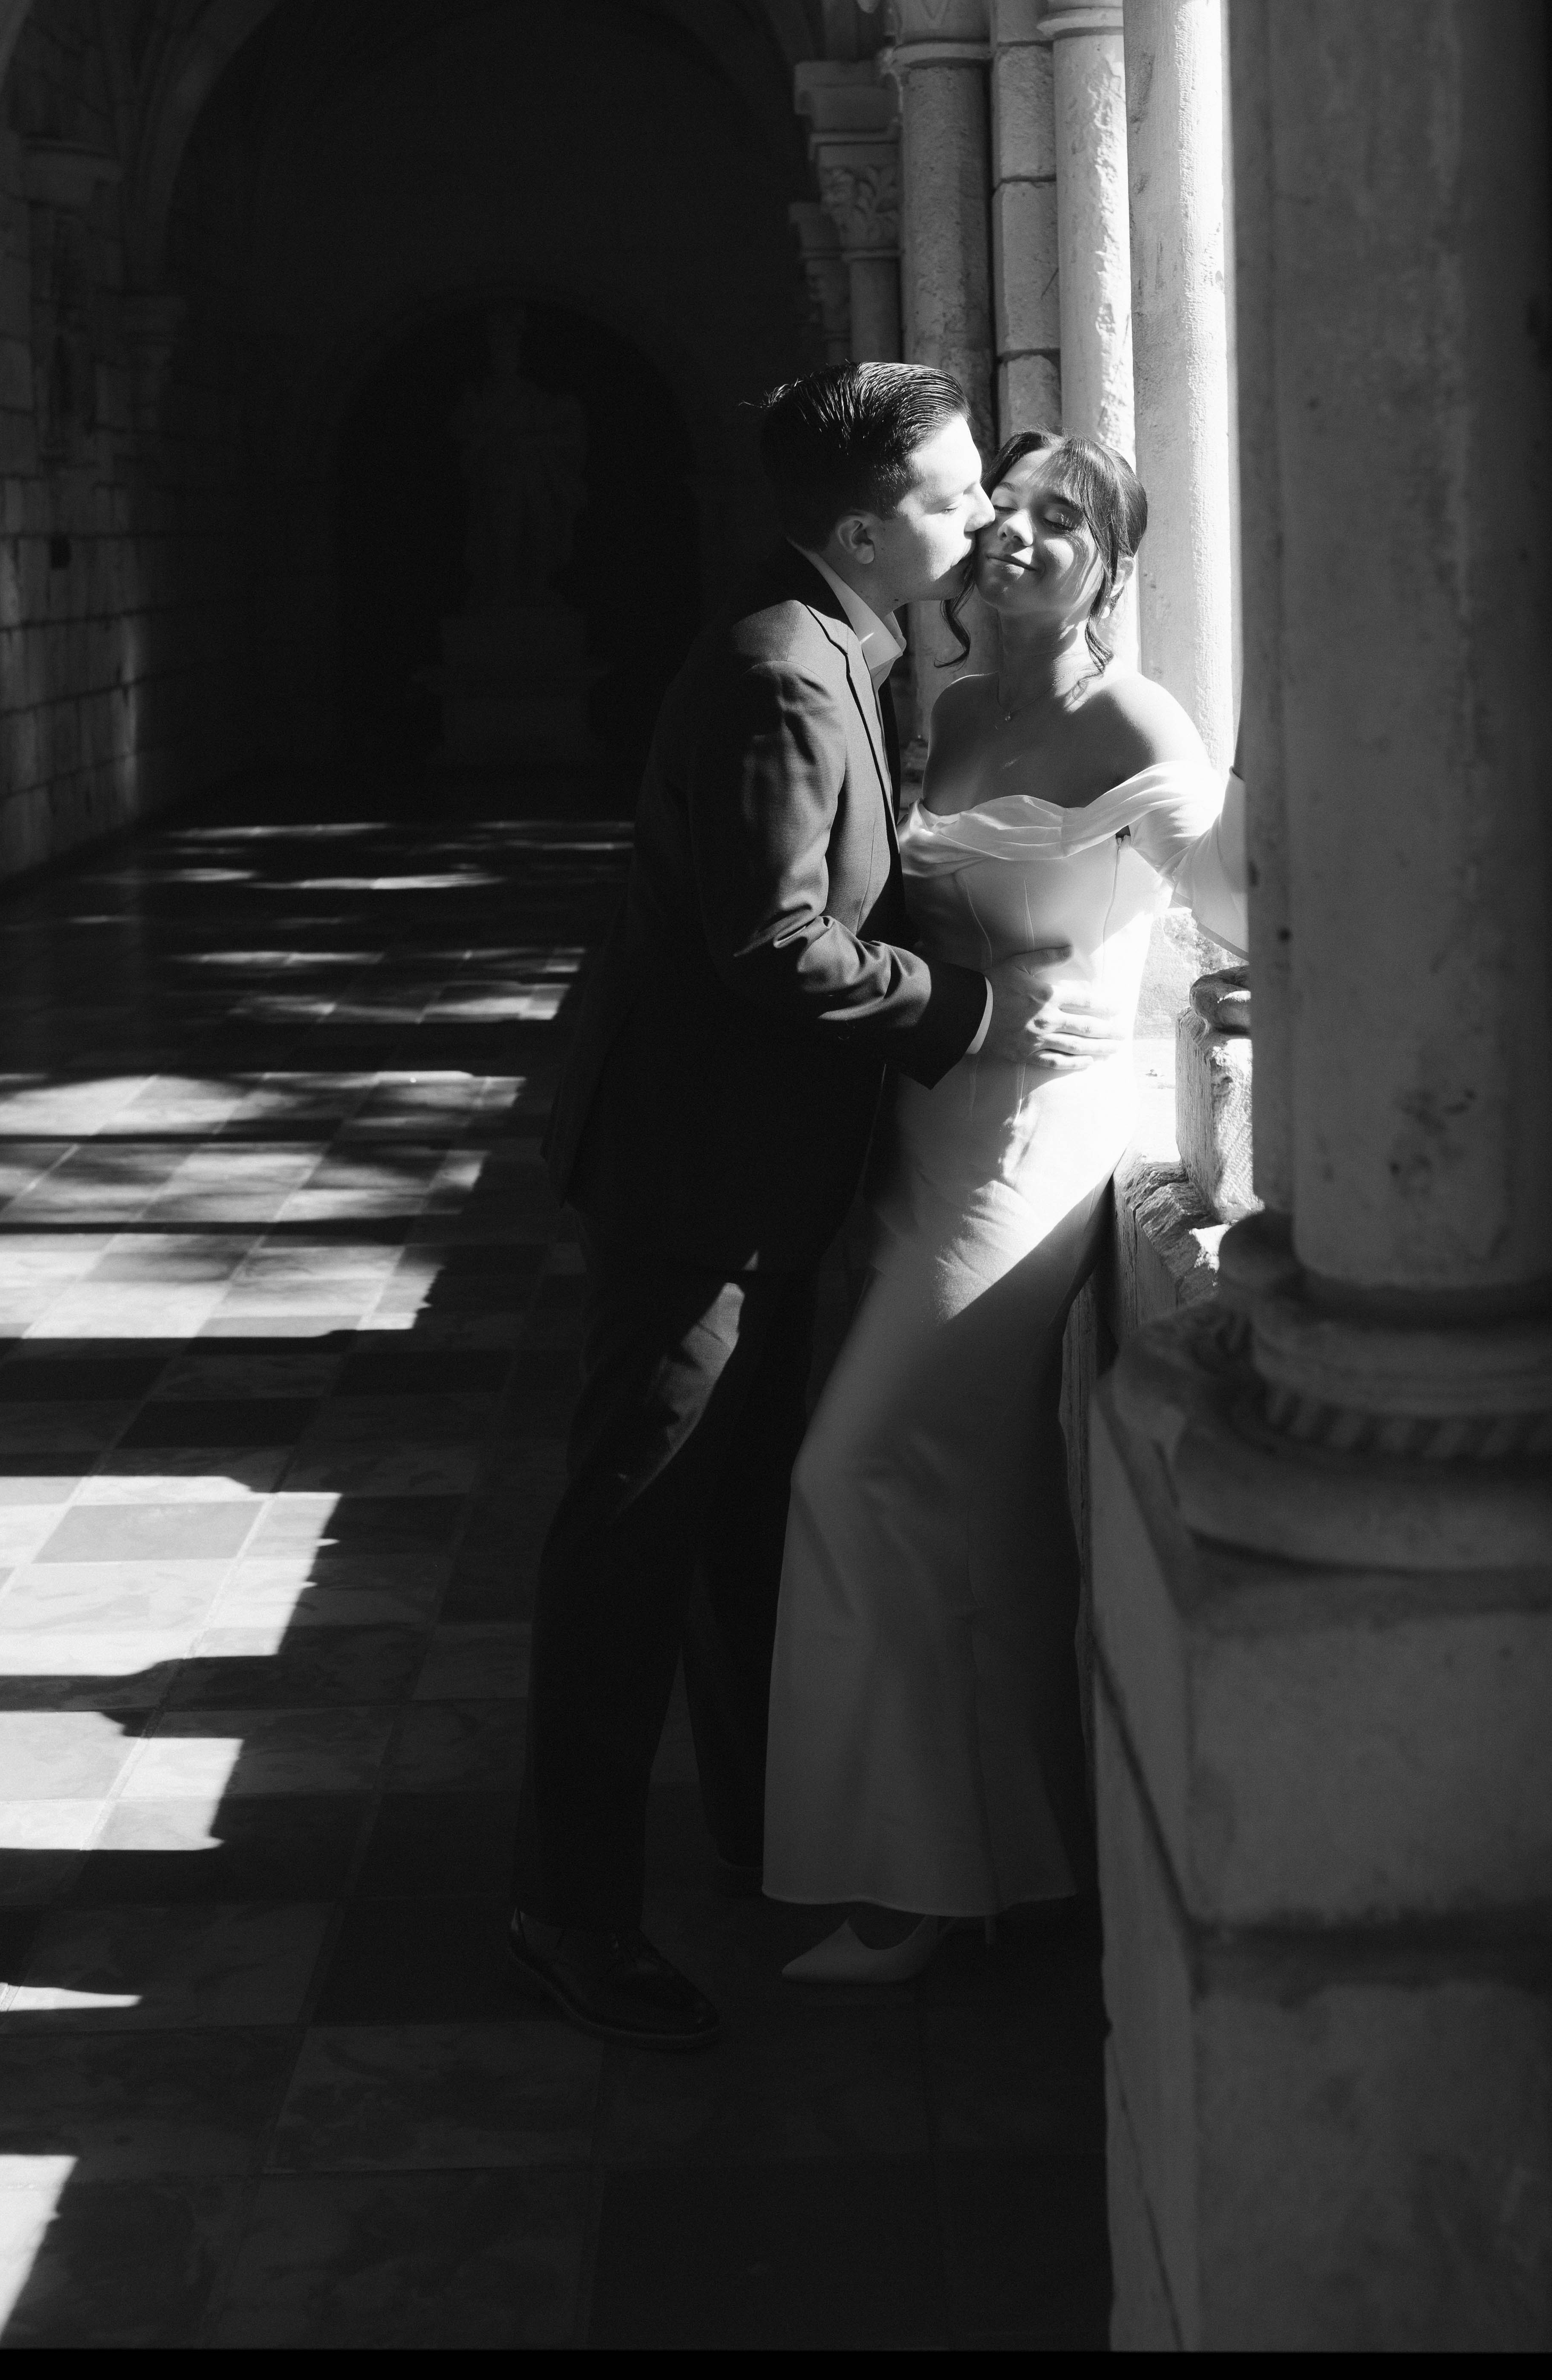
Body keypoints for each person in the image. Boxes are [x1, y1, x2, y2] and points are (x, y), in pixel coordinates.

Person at [508, 364, 1118, 2050]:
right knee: (630, 1536)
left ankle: (759, 1827)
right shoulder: (788, 667)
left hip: (764, 1173)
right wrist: (975, 1011)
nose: (985, 514)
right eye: (948, 494)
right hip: (699, 1178)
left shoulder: (842, 644)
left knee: (724, 1523)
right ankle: (566, 1906)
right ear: (864, 528)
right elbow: (772, 942)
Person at [762, 425, 1247, 1980]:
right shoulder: (954, 706)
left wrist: (1164, 1006)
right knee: (966, 1495)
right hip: (921, 1131)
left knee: (855, 1465)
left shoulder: (1139, 724)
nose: (1020, 538)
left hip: (1036, 1146)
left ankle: (915, 1881)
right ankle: (987, 1857)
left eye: (1062, 520)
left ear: (1113, 556)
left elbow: (1257, 911)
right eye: (1005, 513)